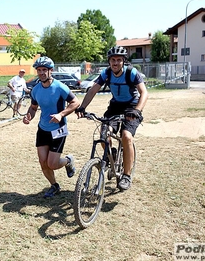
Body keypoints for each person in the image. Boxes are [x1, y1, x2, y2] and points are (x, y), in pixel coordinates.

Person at [75, 46, 148, 191]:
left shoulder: (131, 73)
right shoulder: (106, 73)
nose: (115, 63)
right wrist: (82, 107)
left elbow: (144, 92)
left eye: (119, 60)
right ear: (109, 61)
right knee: (104, 134)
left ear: (123, 61)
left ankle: (126, 175)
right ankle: (112, 154)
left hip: (132, 107)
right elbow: (93, 90)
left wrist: (137, 111)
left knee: (126, 136)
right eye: (113, 60)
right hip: (115, 107)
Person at [22, 56, 80, 198]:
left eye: (44, 70)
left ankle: (68, 160)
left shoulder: (60, 87)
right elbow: (33, 107)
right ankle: (54, 186)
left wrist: (61, 114)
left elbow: (75, 102)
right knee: (43, 162)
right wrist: (28, 115)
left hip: (58, 129)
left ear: (51, 71)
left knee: (52, 164)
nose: (41, 73)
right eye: (39, 70)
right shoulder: (35, 89)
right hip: (43, 129)